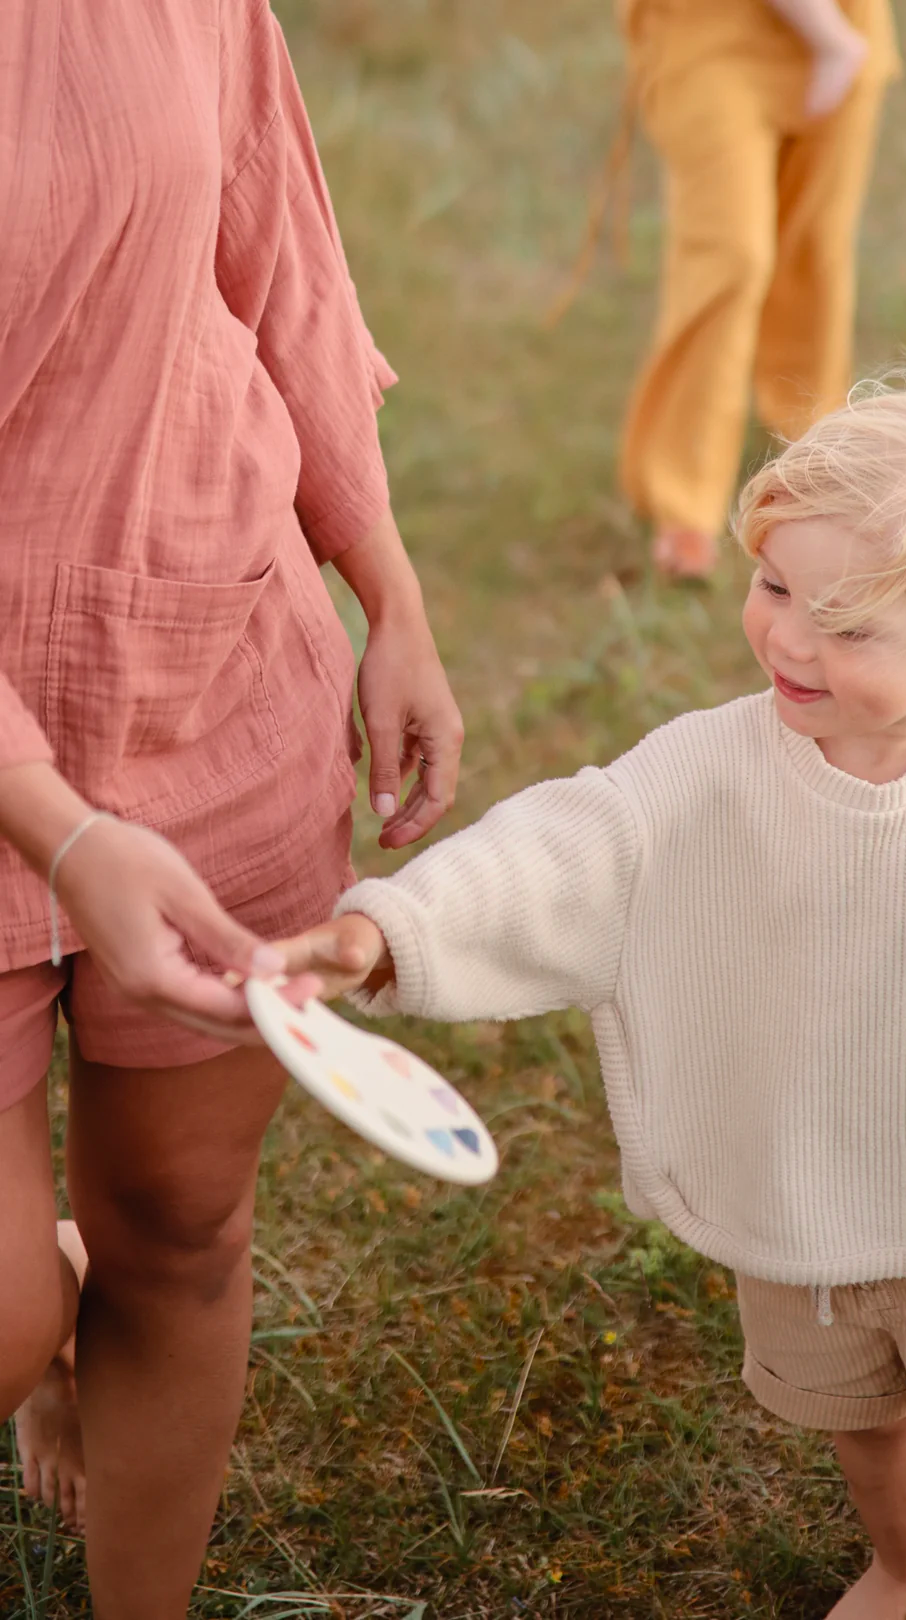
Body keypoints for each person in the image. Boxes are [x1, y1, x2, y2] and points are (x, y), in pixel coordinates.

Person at [281, 363, 906, 1618]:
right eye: (775, 586)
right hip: (804, 1188)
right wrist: (386, 932)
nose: (787, 637)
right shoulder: (712, 772)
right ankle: (899, 1562)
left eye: (848, 625)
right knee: (865, 1421)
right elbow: (571, 847)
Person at [0, 2, 463, 1612]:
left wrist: (386, 587)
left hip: (212, 672)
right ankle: (43, 1301)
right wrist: (56, 828)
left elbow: (280, 262)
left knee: (184, 1225)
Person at [615, 0, 899, 579]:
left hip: (849, 23)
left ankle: (815, 447)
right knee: (730, 256)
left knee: (815, 252)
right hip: (710, 33)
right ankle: (684, 494)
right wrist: (827, 36)